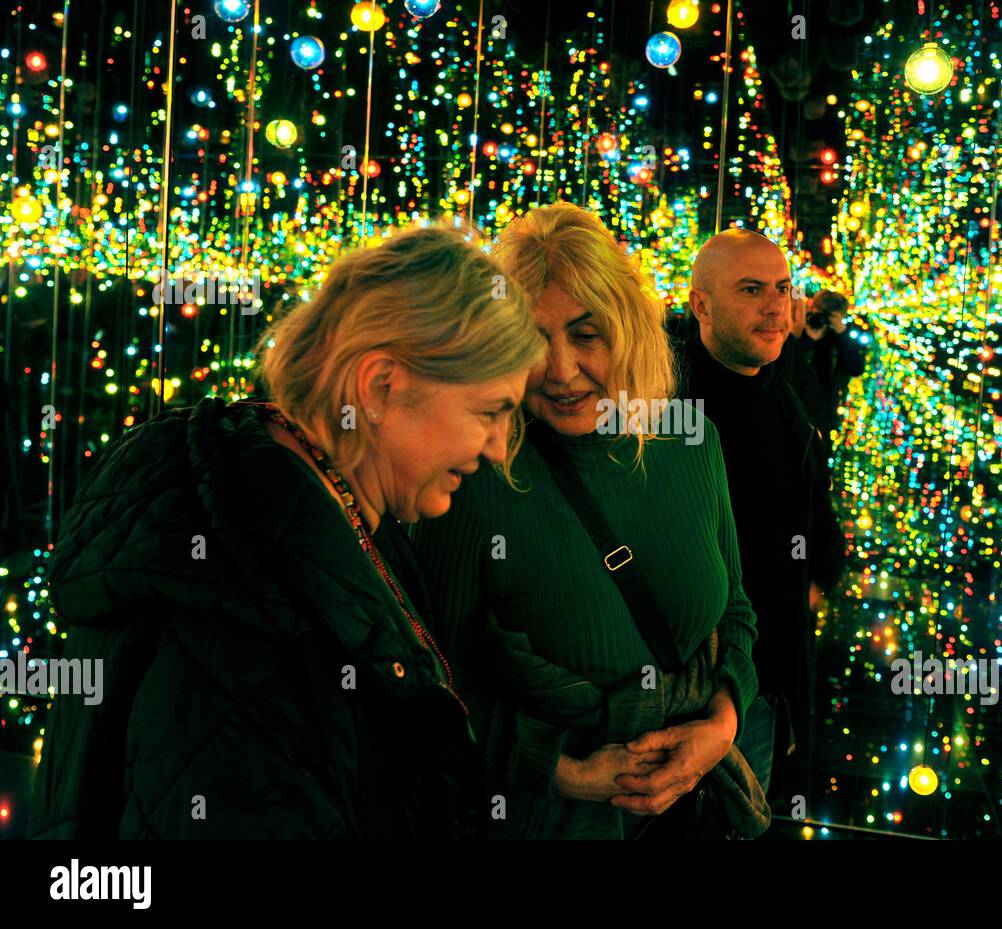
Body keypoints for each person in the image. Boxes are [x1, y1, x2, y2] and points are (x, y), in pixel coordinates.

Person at [27, 223, 545, 838]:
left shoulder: (312, 525)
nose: (496, 450)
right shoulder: (244, 608)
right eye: (489, 412)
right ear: (382, 385)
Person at [410, 202, 768, 839]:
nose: (561, 370)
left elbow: (733, 610)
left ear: (628, 327)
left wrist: (721, 725)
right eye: (532, 338)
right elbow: (431, 681)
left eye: (586, 333)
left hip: (693, 811)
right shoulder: (472, 473)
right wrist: (564, 771)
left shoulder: (688, 442)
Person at [668, 228, 846, 802]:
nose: (775, 306)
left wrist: (819, 577)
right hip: (681, 693)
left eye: (782, 288)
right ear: (701, 304)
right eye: (751, 290)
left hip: (764, 687)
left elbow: (811, 498)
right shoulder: (659, 398)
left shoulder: (781, 387)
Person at [789, 289, 866, 439]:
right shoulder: (799, 328)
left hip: (823, 413)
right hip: (794, 408)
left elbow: (855, 368)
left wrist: (842, 333)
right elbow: (789, 365)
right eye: (818, 311)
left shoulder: (839, 339)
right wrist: (808, 340)